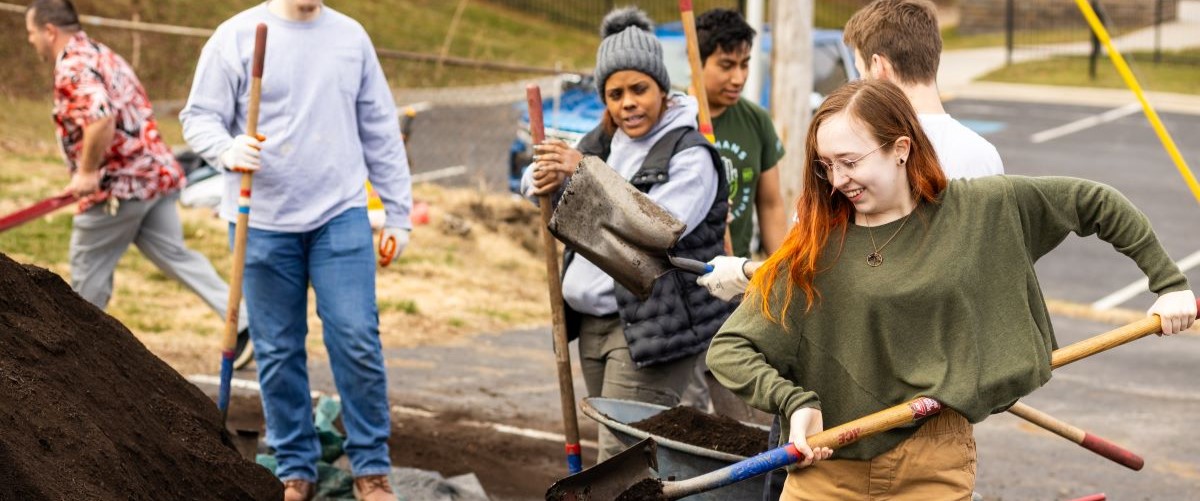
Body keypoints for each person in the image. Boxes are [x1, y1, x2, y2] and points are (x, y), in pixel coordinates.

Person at [706, 79, 1196, 500]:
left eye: (849, 162)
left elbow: (1094, 202)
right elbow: (730, 348)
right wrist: (794, 401)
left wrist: (1169, 283)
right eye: (825, 166)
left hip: (934, 461)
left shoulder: (982, 210)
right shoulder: (815, 247)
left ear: (900, 148)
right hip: (827, 466)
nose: (837, 180)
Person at [179, 0, 412, 499]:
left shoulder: (351, 38)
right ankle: (295, 467)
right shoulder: (237, 35)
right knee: (277, 349)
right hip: (260, 220)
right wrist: (226, 148)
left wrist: (398, 213)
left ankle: (371, 467)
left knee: (355, 338)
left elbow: (380, 132)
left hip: (339, 213)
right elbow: (198, 117)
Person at [522, 6, 734, 462]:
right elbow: (539, 182)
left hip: (649, 329)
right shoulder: (604, 142)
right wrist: (543, 177)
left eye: (639, 89)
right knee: (626, 464)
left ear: (662, 88)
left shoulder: (689, 154)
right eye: (615, 94)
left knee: (619, 464)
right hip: (593, 326)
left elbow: (656, 228)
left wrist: (581, 172)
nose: (627, 104)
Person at [22, 0, 252, 365]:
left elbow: (100, 118)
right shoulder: (102, 54)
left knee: (86, 272)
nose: (31, 41)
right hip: (155, 174)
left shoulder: (73, 66)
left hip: (120, 187)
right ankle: (244, 323)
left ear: (49, 31)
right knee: (175, 255)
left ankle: (78, 360)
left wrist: (85, 172)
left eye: (32, 33)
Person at [680, 7, 786, 416]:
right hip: (685, 287)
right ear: (697, 62)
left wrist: (777, 273)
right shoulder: (677, 120)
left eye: (744, 64)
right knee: (684, 414)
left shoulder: (755, 122)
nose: (738, 77)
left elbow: (771, 203)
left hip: (735, 283)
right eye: (726, 65)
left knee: (744, 415)